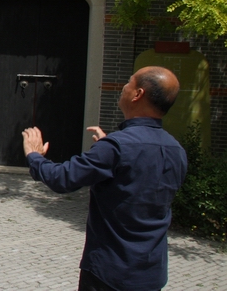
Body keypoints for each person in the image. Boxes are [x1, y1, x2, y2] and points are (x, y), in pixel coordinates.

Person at [22, 66, 187, 291]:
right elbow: (139, 184)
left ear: (138, 94)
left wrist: (34, 155)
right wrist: (108, 152)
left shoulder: (117, 147)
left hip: (110, 273)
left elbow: (62, 179)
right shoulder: (176, 150)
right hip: (151, 274)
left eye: (129, 82)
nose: (123, 87)